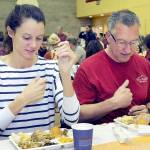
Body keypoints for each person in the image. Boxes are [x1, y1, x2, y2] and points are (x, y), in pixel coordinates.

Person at [0, 4, 80, 139]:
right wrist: (23, 99)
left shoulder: (49, 68)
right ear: (11, 32)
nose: (33, 45)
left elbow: (72, 119)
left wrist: (65, 74)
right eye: (26, 38)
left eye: (38, 38)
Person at [73, 10, 150, 124]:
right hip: (103, 139)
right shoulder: (88, 68)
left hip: (140, 137)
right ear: (108, 37)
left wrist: (147, 109)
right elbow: (77, 115)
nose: (128, 50)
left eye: (133, 42)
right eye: (121, 42)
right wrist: (113, 103)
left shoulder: (145, 65)